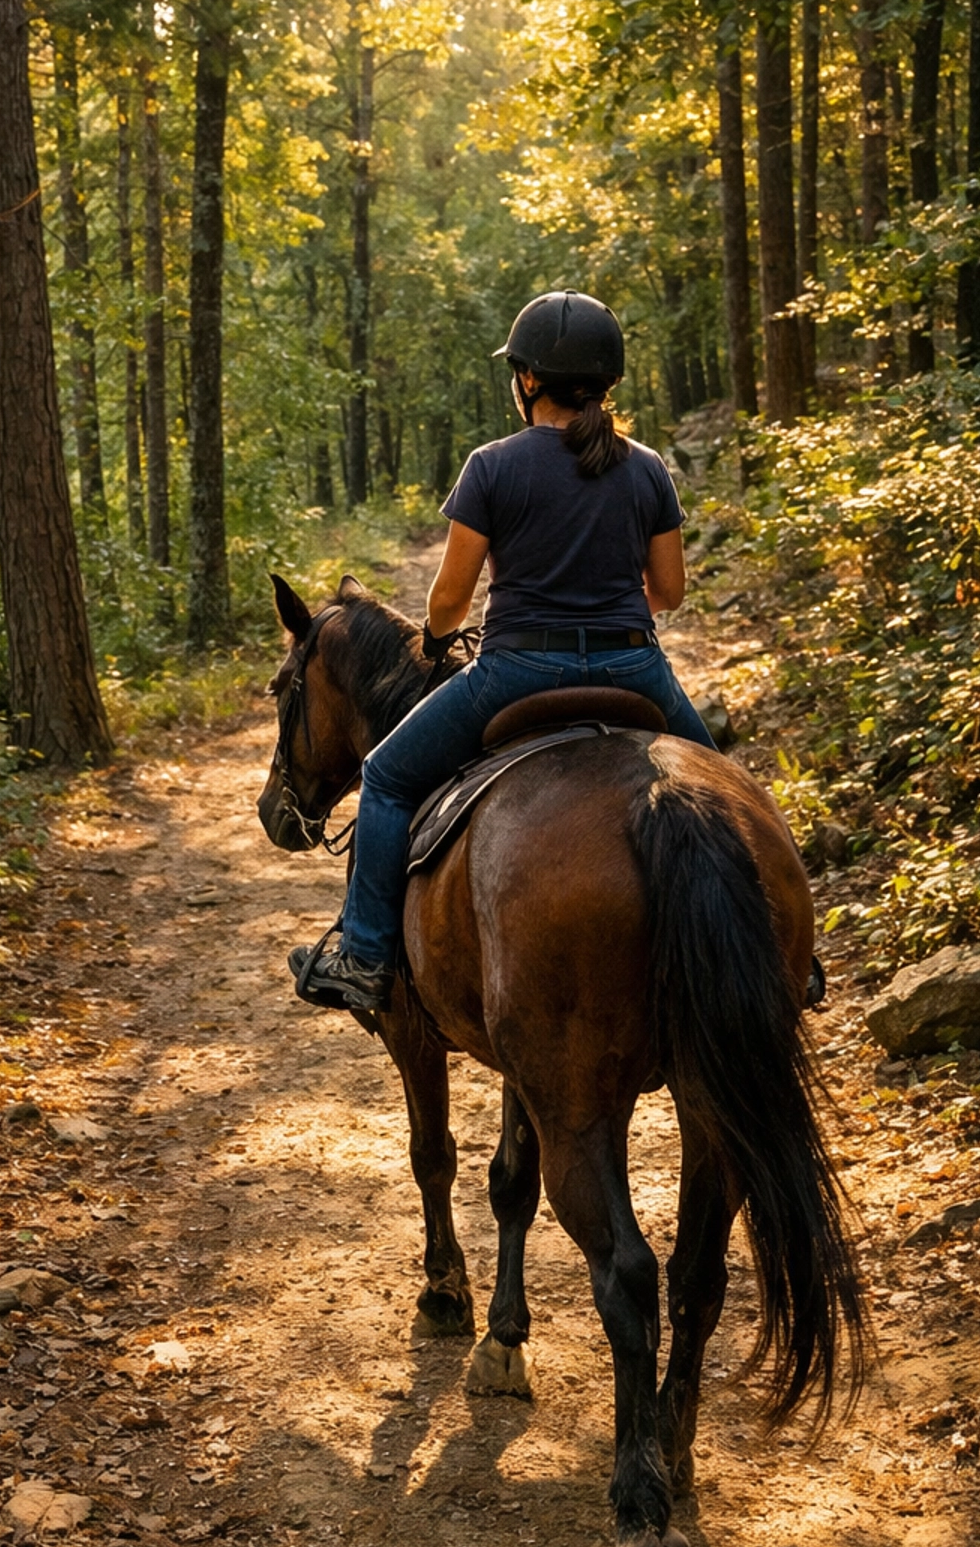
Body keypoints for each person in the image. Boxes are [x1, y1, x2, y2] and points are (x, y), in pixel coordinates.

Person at [291, 289, 717, 1015]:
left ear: (526, 380)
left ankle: (364, 955)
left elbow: (451, 599)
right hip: (635, 668)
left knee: (389, 776)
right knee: (723, 790)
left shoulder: (492, 466)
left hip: (517, 671)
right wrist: (611, 618)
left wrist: (432, 637)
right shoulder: (646, 467)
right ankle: (785, 951)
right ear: (606, 382)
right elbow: (669, 590)